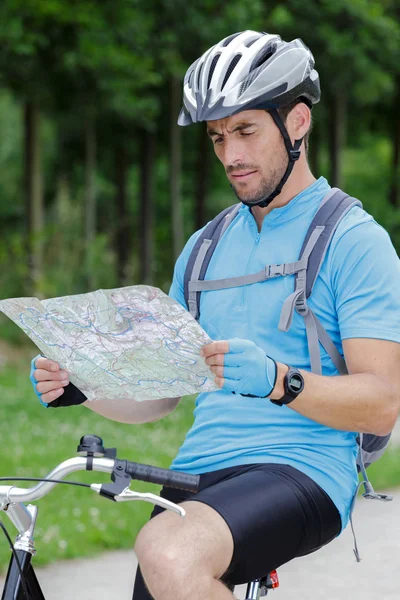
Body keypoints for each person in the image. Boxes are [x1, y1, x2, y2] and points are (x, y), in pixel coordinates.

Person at [30, 31, 400, 600]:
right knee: (163, 566)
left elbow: (382, 402)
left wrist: (280, 382)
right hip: (198, 476)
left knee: (166, 551)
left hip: (301, 469)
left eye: (247, 131)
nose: (231, 156)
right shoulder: (204, 248)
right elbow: (162, 394)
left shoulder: (354, 241)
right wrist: (83, 385)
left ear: (297, 122)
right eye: (218, 137)